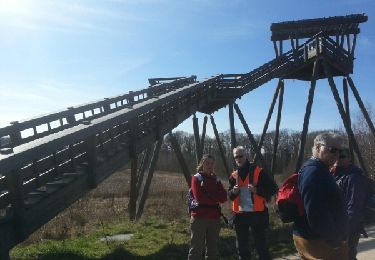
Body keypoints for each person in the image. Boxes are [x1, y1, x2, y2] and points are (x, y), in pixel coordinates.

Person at [293, 132, 349, 260]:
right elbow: (315, 213)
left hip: (316, 238)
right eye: (333, 150)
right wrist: (335, 241)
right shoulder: (314, 173)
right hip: (320, 242)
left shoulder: (319, 169)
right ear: (318, 147)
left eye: (339, 151)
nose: (337, 155)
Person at [228, 146, 277, 260]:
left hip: (258, 215)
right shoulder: (234, 175)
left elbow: (273, 189)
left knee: (261, 247)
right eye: (236, 157)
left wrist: (257, 190)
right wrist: (233, 192)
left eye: (241, 156)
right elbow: (230, 196)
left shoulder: (260, 172)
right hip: (240, 215)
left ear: (246, 156)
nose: (239, 159)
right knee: (242, 248)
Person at [331, 147, 368, 260]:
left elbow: (354, 206)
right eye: (336, 155)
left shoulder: (354, 176)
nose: (338, 158)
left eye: (342, 156)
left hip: (348, 228)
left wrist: (345, 231)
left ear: (350, 159)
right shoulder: (335, 174)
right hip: (336, 225)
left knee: (348, 255)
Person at [188, 154, 227, 260]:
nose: (210, 165)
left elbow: (224, 198)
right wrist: (215, 196)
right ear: (202, 164)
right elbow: (199, 198)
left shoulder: (216, 179)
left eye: (212, 163)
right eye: (207, 163)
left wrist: (209, 194)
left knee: (213, 250)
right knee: (196, 249)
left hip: (214, 218)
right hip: (199, 218)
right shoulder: (196, 178)